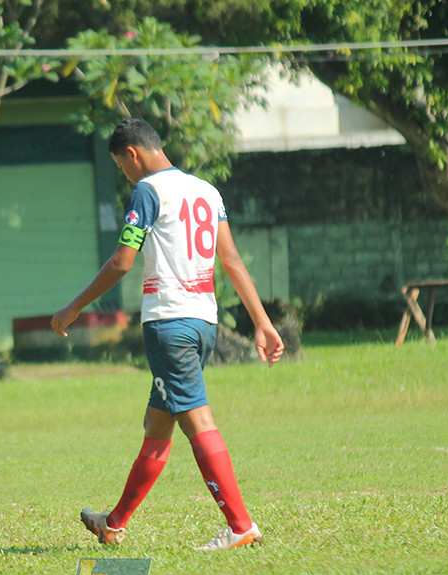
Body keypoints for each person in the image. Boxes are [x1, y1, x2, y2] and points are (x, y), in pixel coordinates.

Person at [51, 118, 284, 551]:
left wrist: (74, 308)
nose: (125, 173)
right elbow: (231, 261)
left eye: (121, 165)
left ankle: (240, 525)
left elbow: (123, 262)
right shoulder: (206, 191)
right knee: (158, 424)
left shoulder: (147, 191)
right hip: (203, 323)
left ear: (132, 155)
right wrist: (262, 321)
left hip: (169, 325)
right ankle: (114, 523)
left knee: (198, 422)